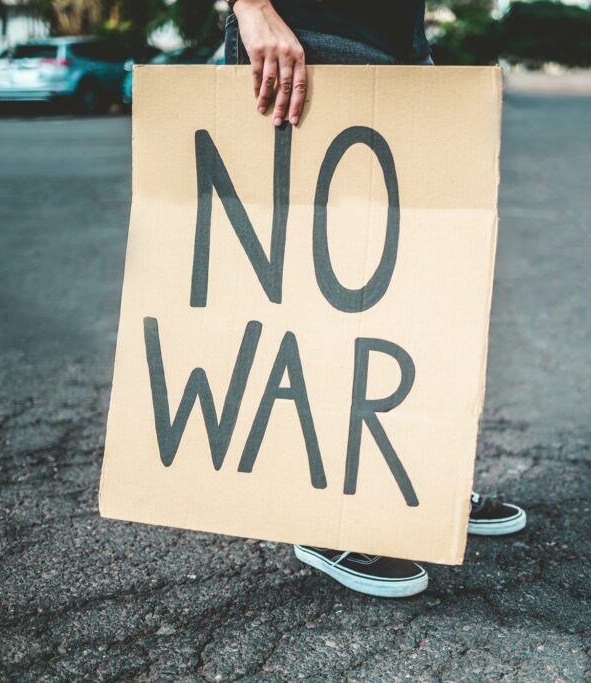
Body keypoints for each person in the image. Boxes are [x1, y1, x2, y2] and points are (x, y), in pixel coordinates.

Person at [225, 0, 527, 598]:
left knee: (406, 283)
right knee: (319, 291)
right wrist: (252, 8)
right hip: (304, 33)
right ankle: (321, 516)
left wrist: (416, 49)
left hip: (398, 41)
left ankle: (416, 484)